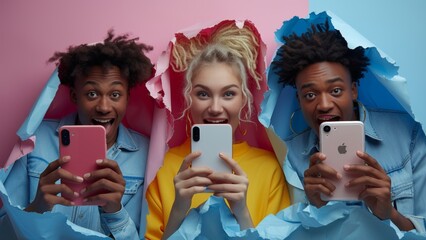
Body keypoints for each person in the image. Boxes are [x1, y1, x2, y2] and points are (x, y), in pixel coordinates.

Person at [269, 15, 426, 236]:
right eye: (310, 94)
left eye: (335, 91)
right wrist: (314, 210)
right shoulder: (291, 156)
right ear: (299, 101)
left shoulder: (407, 135)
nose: (323, 105)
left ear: (353, 90)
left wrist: (389, 213)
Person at [0, 30, 154, 239]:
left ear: (127, 99)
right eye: (92, 93)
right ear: (74, 96)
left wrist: (115, 211)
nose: (103, 107)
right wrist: (38, 207)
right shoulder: (37, 140)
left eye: (115, 94)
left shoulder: (147, 153)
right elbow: (4, 233)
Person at [145, 21, 290, 239]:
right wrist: (178, 209)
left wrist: (241, 212)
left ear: (244, 100)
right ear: (188, 100)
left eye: (228, 94)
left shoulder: (269, 168)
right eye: (203, 94)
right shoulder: (165, 167)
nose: (214, 108)